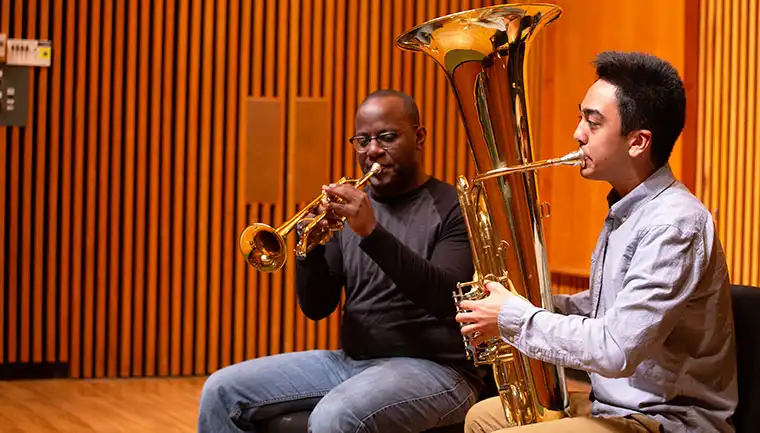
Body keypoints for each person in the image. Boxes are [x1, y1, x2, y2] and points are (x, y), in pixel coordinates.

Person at [455, 51, 738, 433]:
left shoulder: (674, 222)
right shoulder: (627, 208)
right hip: (610, 406)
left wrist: (512, 317)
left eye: (593, 122)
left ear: (638, 142)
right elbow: (603, 310)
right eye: (580, 117)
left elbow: (616, 348)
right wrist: (523, 300)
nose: (577, 133)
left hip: (668, 420)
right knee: (482, 417)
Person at [198, 89, 485, 432]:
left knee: (334, 416)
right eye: (362, 141)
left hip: (438, 370)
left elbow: (445, 297)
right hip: (352, 362)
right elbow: (317, 307)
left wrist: (372, 234)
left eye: (387, 137)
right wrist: (311, 249)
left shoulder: (453, 206)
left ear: (419, 137)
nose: (373, 151)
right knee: (221, 390)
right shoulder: (350, 213)